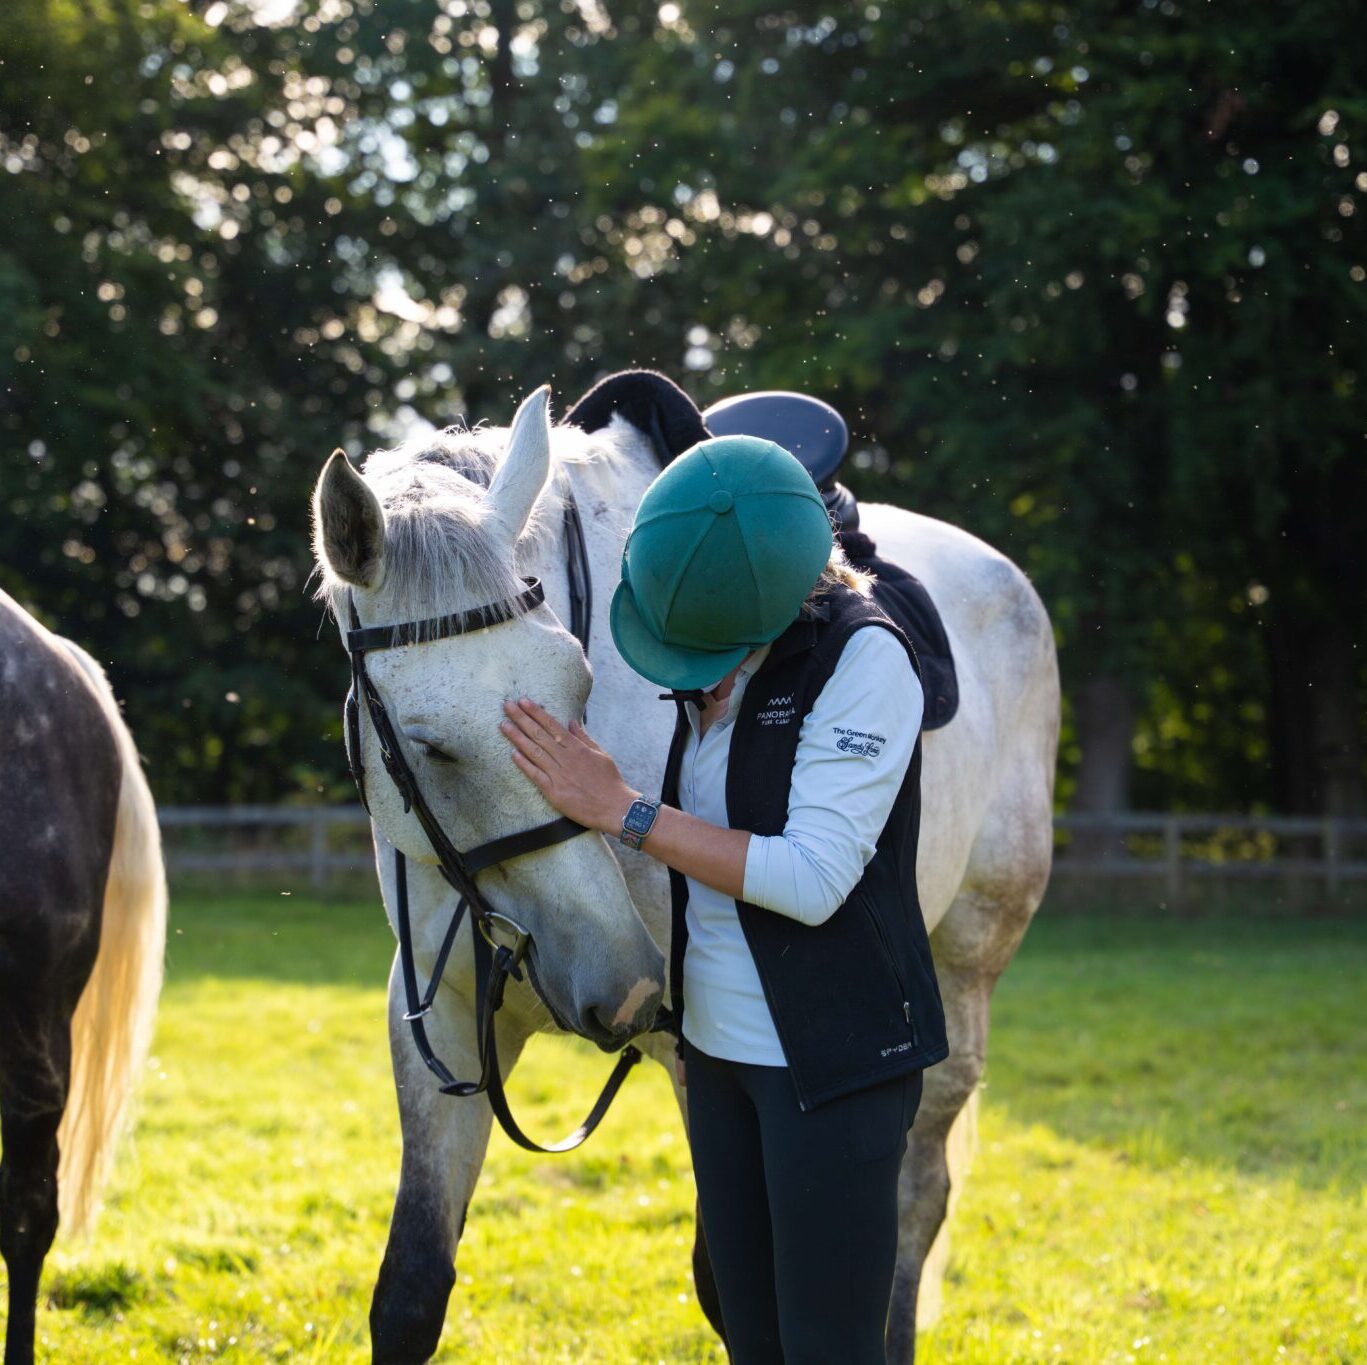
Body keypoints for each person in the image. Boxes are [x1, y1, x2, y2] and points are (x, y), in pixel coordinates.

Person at [500, 434, 949, 1363]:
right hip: (717, 1059)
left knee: (827, 1347)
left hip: (833, 1066)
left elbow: (812, 879)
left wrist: (619, 809)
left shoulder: (865, 663)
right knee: (748, 1338)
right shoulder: (717, 660)